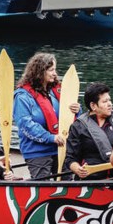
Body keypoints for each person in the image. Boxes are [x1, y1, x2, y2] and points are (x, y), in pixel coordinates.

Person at [12, 52, 80, 180]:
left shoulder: (56, 92)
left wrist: (77, 110)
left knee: (67, 182)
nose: (55, 73)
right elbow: (25, 124)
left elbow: (69, 118)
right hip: (37, 152)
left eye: (55, 69)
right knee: (43, 186)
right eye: (51, 70)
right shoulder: (22, 97)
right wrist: (50, 138)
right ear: (39, 72)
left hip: (61, 148)